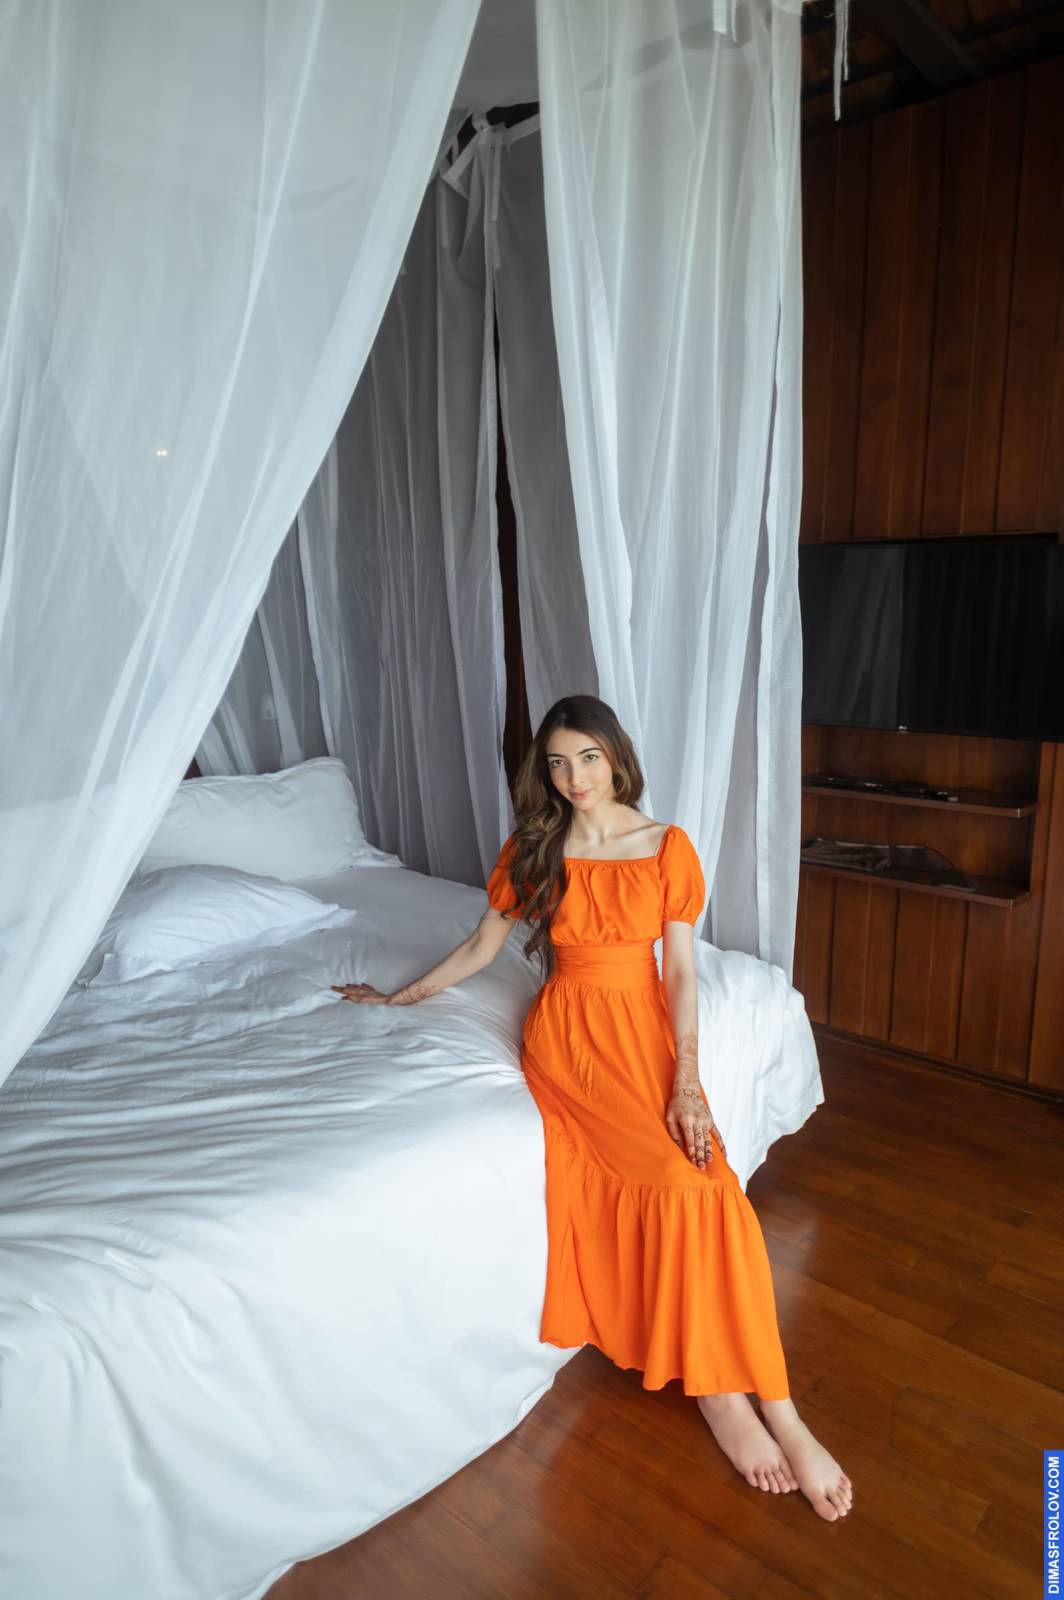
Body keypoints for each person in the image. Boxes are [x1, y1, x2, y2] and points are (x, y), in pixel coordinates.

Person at [333, 695, 852, 1522]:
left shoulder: (666, 847)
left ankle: (781, 1412)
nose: (574, 778)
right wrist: (401, 997)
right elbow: (482, 946)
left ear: (616, 758)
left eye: (588, 758)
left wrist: (688, 1080)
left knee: (714, 1190)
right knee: (682, 1187)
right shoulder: (536, 848)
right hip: (570, 1042)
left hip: (643, 1032)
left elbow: (679, 972)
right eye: (557, 763)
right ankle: (723, 1396)